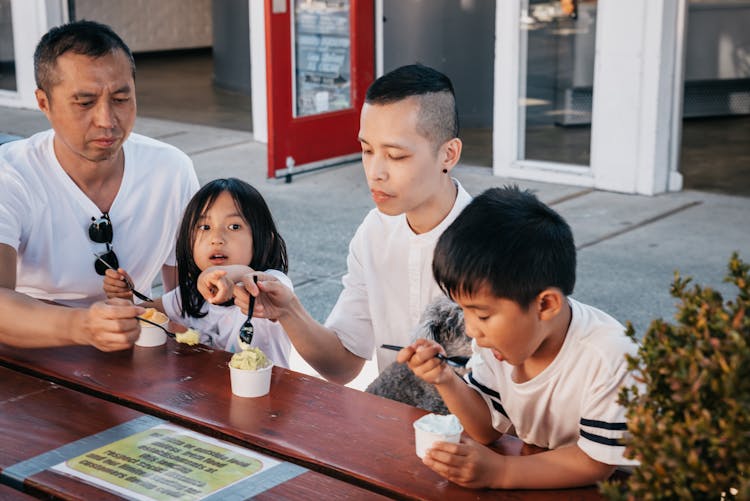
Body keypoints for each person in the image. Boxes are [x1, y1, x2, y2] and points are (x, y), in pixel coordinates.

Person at [232, 64, 471, 384]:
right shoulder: (375, 231)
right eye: (366, 150)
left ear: (448, 154)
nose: (375, 172)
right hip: (393, 422)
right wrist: (288, 311)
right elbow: (343, 364)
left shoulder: (498, 242)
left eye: (396, 155)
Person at [397, 186, 639, 489]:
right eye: (465, 311)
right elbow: (486, 429)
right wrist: (445, 379)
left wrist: (501, 472)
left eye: (483, 315)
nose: (471, 329)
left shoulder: (608, 357)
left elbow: (596, 464)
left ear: (545, 304)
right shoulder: (500, 346)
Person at [0, 20, 198, 350]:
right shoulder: (10, 175)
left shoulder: (171, 169)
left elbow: (188, 294)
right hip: (30, 351)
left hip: (134, 348)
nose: (107, 120)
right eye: (85, 102)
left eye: (121, 98)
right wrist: (83, 326)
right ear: (43, 103)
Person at [103, 178, 293, 367]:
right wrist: (126, 301)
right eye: (205, 227)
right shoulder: (191, 296)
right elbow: (147, 314)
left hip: (272, 394)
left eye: (234, 226)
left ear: (266, 241)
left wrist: (225, 275)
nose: (216, 238)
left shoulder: (273, 286)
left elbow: (251, 277)